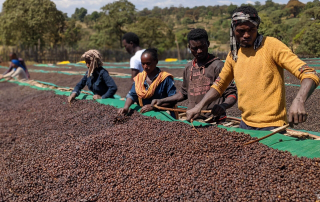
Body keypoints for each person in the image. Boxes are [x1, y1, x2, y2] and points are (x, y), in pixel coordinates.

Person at [186, 6, 320, 130]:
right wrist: (199, 106)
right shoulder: (234, 55)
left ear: (257, 28)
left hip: (273, 126)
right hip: (245, 124)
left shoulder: (271, 46)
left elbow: (309, 74)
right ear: (233, 30)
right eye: (241, 31)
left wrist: (299, 100)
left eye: (251, 29)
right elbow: (219, 84)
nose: (246, 35)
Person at [151, 29, 237, 123]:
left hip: (214, 120)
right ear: (189, 47)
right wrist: (162, 101)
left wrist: (222, 106)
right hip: (193, 119)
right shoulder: (188, 67)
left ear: (208, 44)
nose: (199, 51)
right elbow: (183, 93)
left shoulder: (217, 66)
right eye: (194, 48)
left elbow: (232, 94)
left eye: (202, 47)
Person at [118, 48, 177, 116]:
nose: (145, 67)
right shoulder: (139, 78)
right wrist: (126, 107)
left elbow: (173, 99)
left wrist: (153, 106)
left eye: (148, 64)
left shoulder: (165, 78)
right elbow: (132, 95)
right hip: (145, 114)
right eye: (143, 64)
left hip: (164, 114)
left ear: (156, 61)